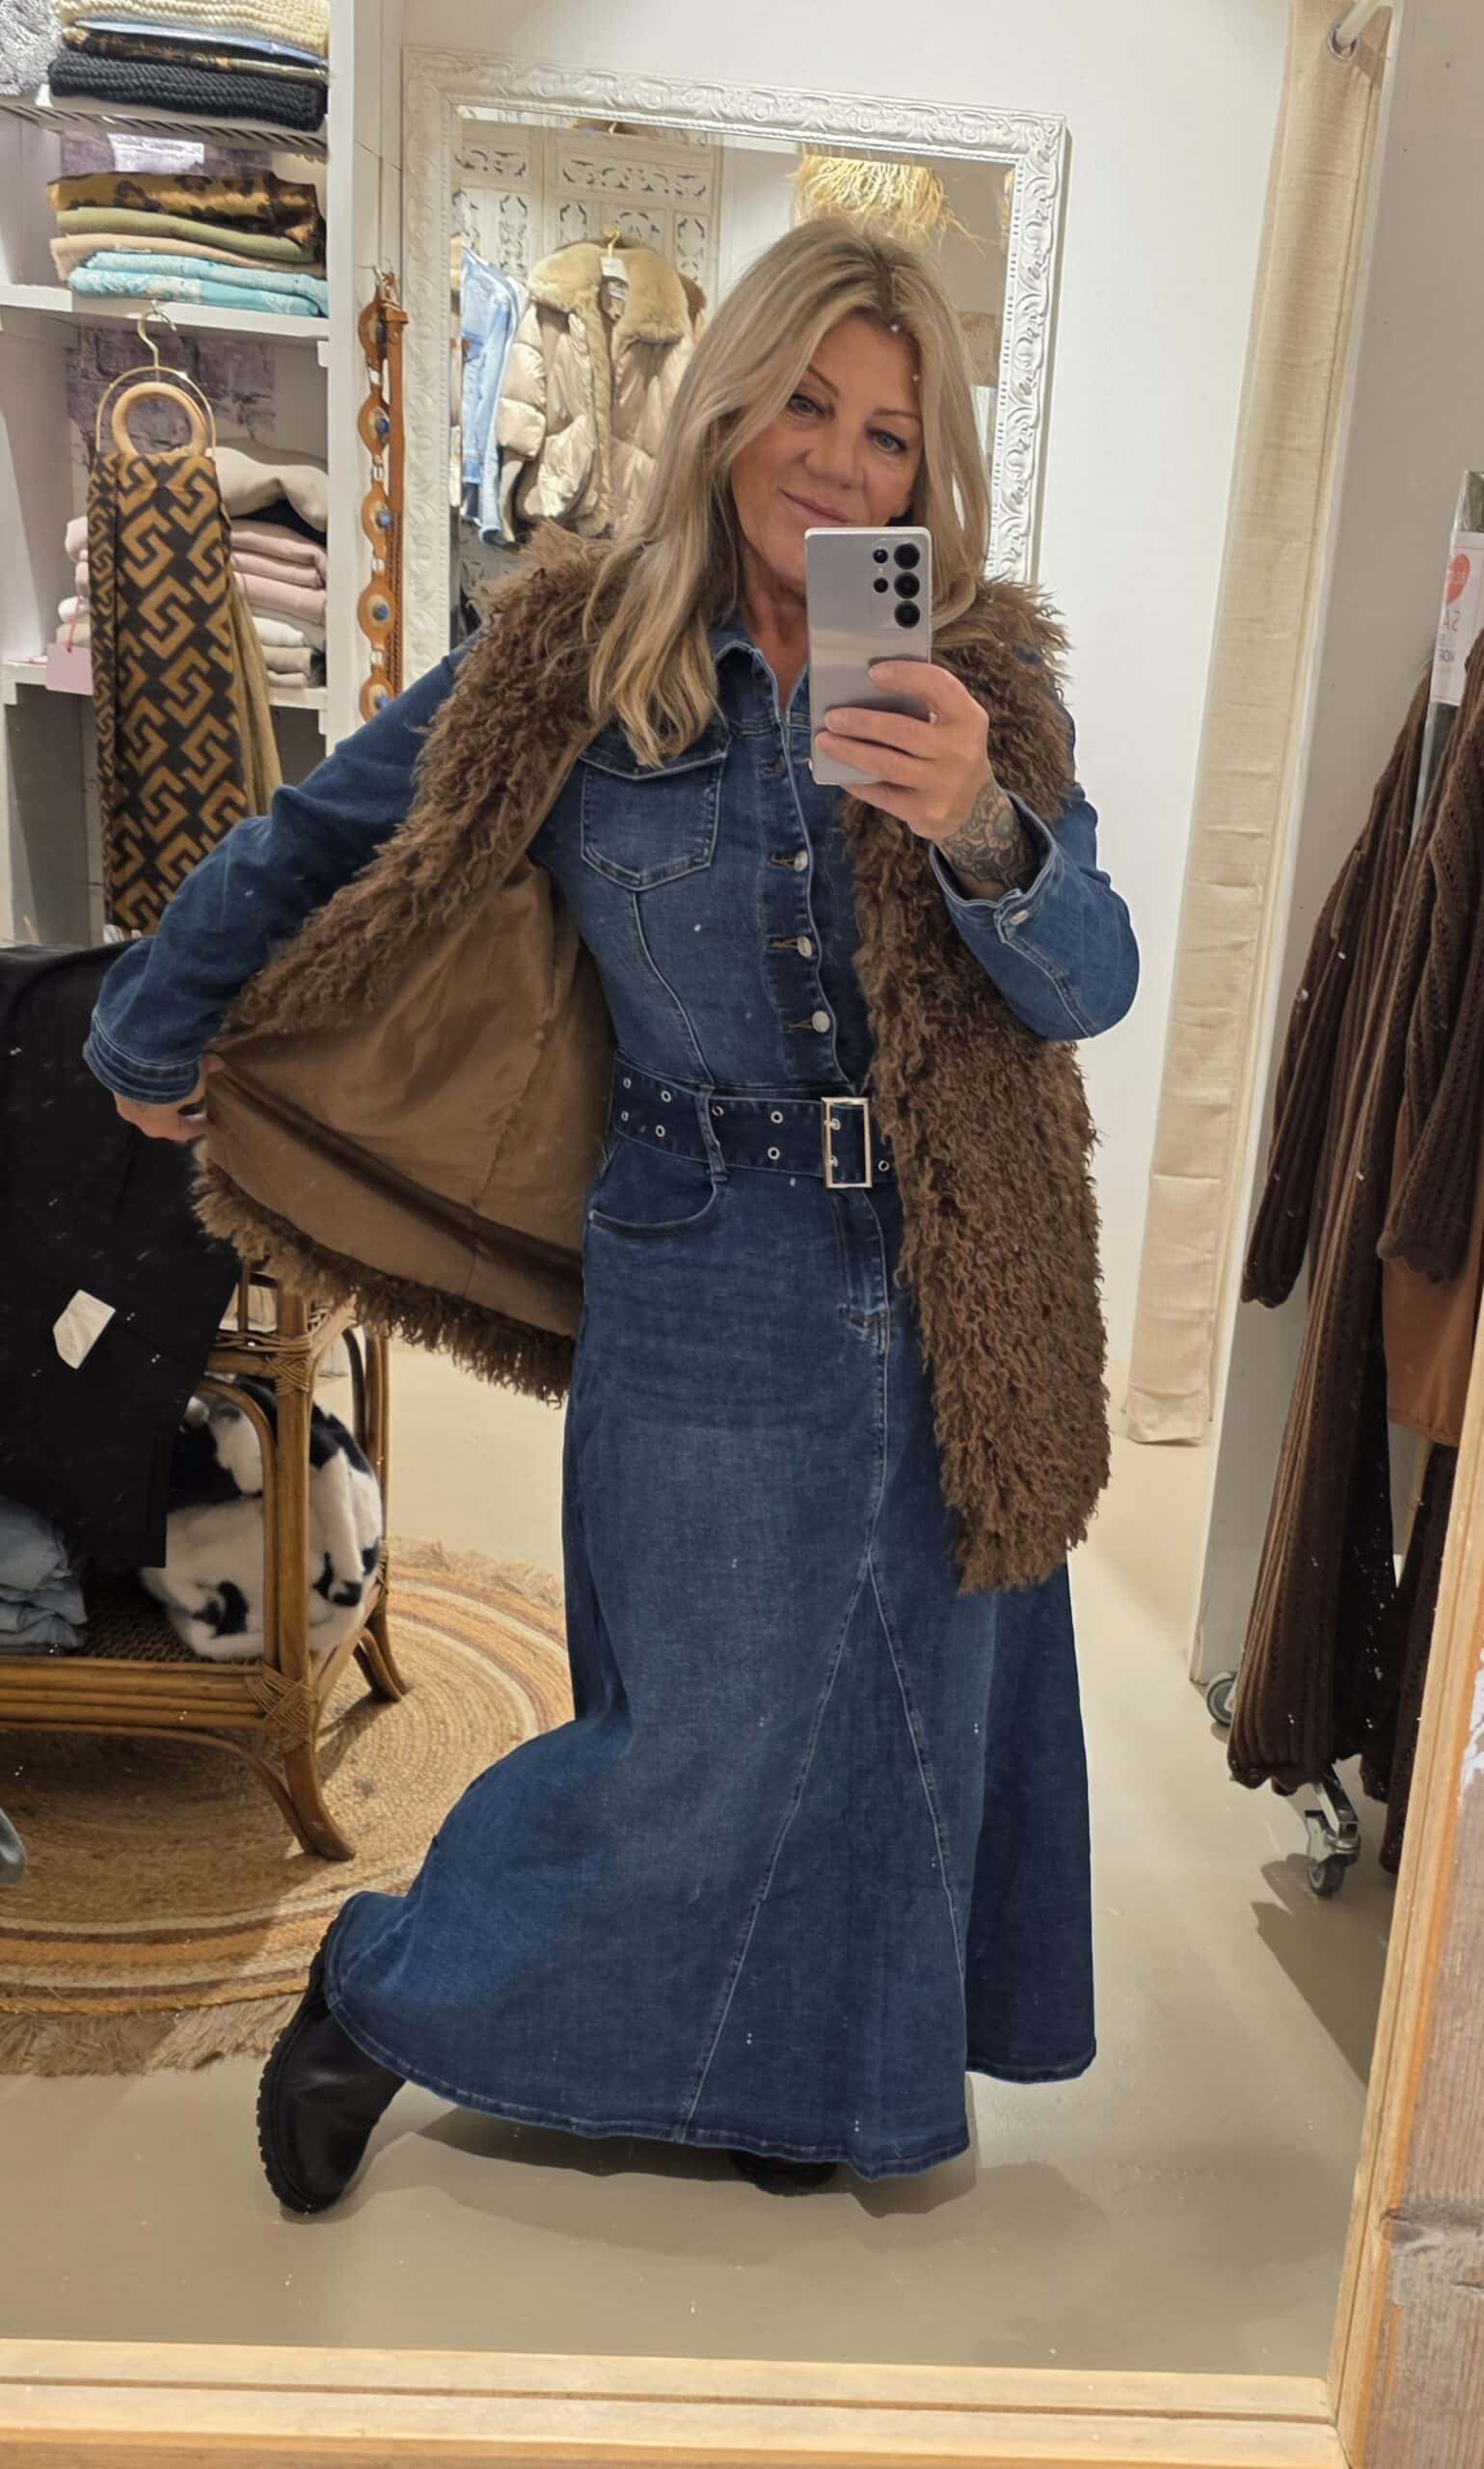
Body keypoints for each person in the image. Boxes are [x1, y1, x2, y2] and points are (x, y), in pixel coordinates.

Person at [86, 219, 1138, 2208]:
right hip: (703, 1252)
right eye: (806, 405)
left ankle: (801, 2083)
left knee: (905, 1706)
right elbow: (319, 832)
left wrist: (978, 825)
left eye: (889, 433)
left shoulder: (972, 680)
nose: (838, 462)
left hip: (948, 1279)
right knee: (699, 1730)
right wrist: (151, 1018)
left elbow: (1086, 977)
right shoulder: (574, 659)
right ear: (727, 404)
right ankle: (382, 1989)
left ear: (928, 472)